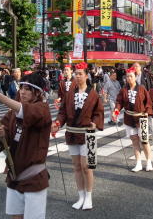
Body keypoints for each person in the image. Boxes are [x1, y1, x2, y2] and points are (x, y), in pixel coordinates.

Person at [0, 72, 51, 219]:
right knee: (16, 215)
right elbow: (5, 135)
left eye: (28, 88)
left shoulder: (42, 109)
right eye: (21, 87)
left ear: (38, 92)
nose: (22, 91)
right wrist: (1, 136)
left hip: (33, 176)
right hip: (14, 174)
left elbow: (25, 111)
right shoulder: (12, 114)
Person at [51, 62, 104, 210]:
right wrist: (57, 122)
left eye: (81, 74)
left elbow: (98, 112)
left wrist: (95, 122)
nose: (78, 76)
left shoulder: (93, 94)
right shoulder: (69, 94)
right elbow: (62, 112)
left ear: (86, 76)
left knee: (86, 166)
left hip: (87, 134)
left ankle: (89, 196)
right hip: (72, 132)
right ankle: (80, 196)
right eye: (76, 73)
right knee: (76, 166)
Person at [113, 66, 153, 172]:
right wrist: (115, 112)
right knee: (134, 141)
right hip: (129, 118)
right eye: (127, 77)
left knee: (144, 141)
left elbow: (148, 102)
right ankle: (138, 163)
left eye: (131, 76)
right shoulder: (123, 90)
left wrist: (146, 113)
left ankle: (148, 162)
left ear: (135, 77)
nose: (129, 78)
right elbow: (119, 102)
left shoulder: (142, 88)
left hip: (141, 117)